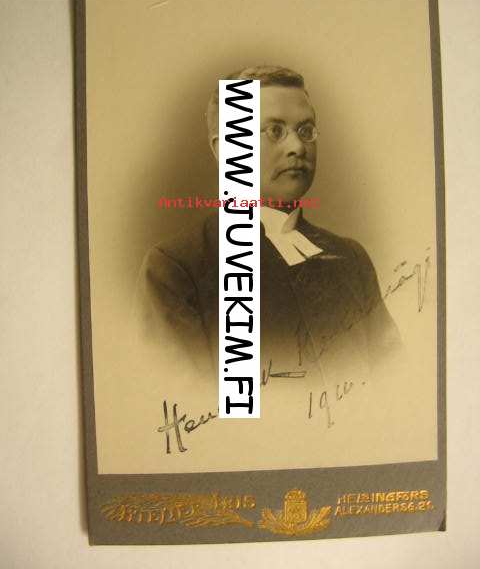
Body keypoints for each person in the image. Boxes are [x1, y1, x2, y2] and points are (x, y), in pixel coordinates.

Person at [132, 66, 400, 386]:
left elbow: (395, 387)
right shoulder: (175, 269)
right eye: (275, 131)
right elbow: (189, 401)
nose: (297, 147)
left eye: (306, 130)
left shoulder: (351, 260)